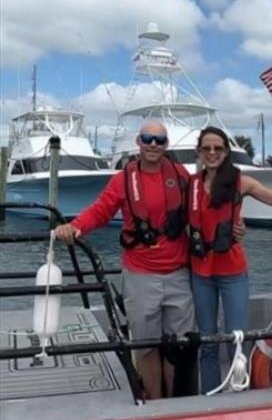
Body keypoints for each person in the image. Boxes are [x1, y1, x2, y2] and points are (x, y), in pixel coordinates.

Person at [54, 120, 194, 399]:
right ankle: (154, 403)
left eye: (159, 140)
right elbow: (100, 210)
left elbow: (202, 209)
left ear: (166, 146)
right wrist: (75, 227)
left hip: (179, 274)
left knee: (178, 347)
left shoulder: (181, 175)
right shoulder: (122, 179)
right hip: (141, 275)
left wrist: (234, 224)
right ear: (138, 142)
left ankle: (175, 403)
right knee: (146, 346)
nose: (153, 144)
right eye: (147, 138)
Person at [190, 126, 272, 394]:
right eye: (206, 148)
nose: (212, 152)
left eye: (218, 147)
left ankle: (237, 394)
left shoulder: (242, 182)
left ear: (226, 151)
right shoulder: (191, 186)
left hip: (232, 273)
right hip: (200, 273)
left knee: (236, 338)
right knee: (207, 341)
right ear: (199, 151)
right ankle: (211, 395)